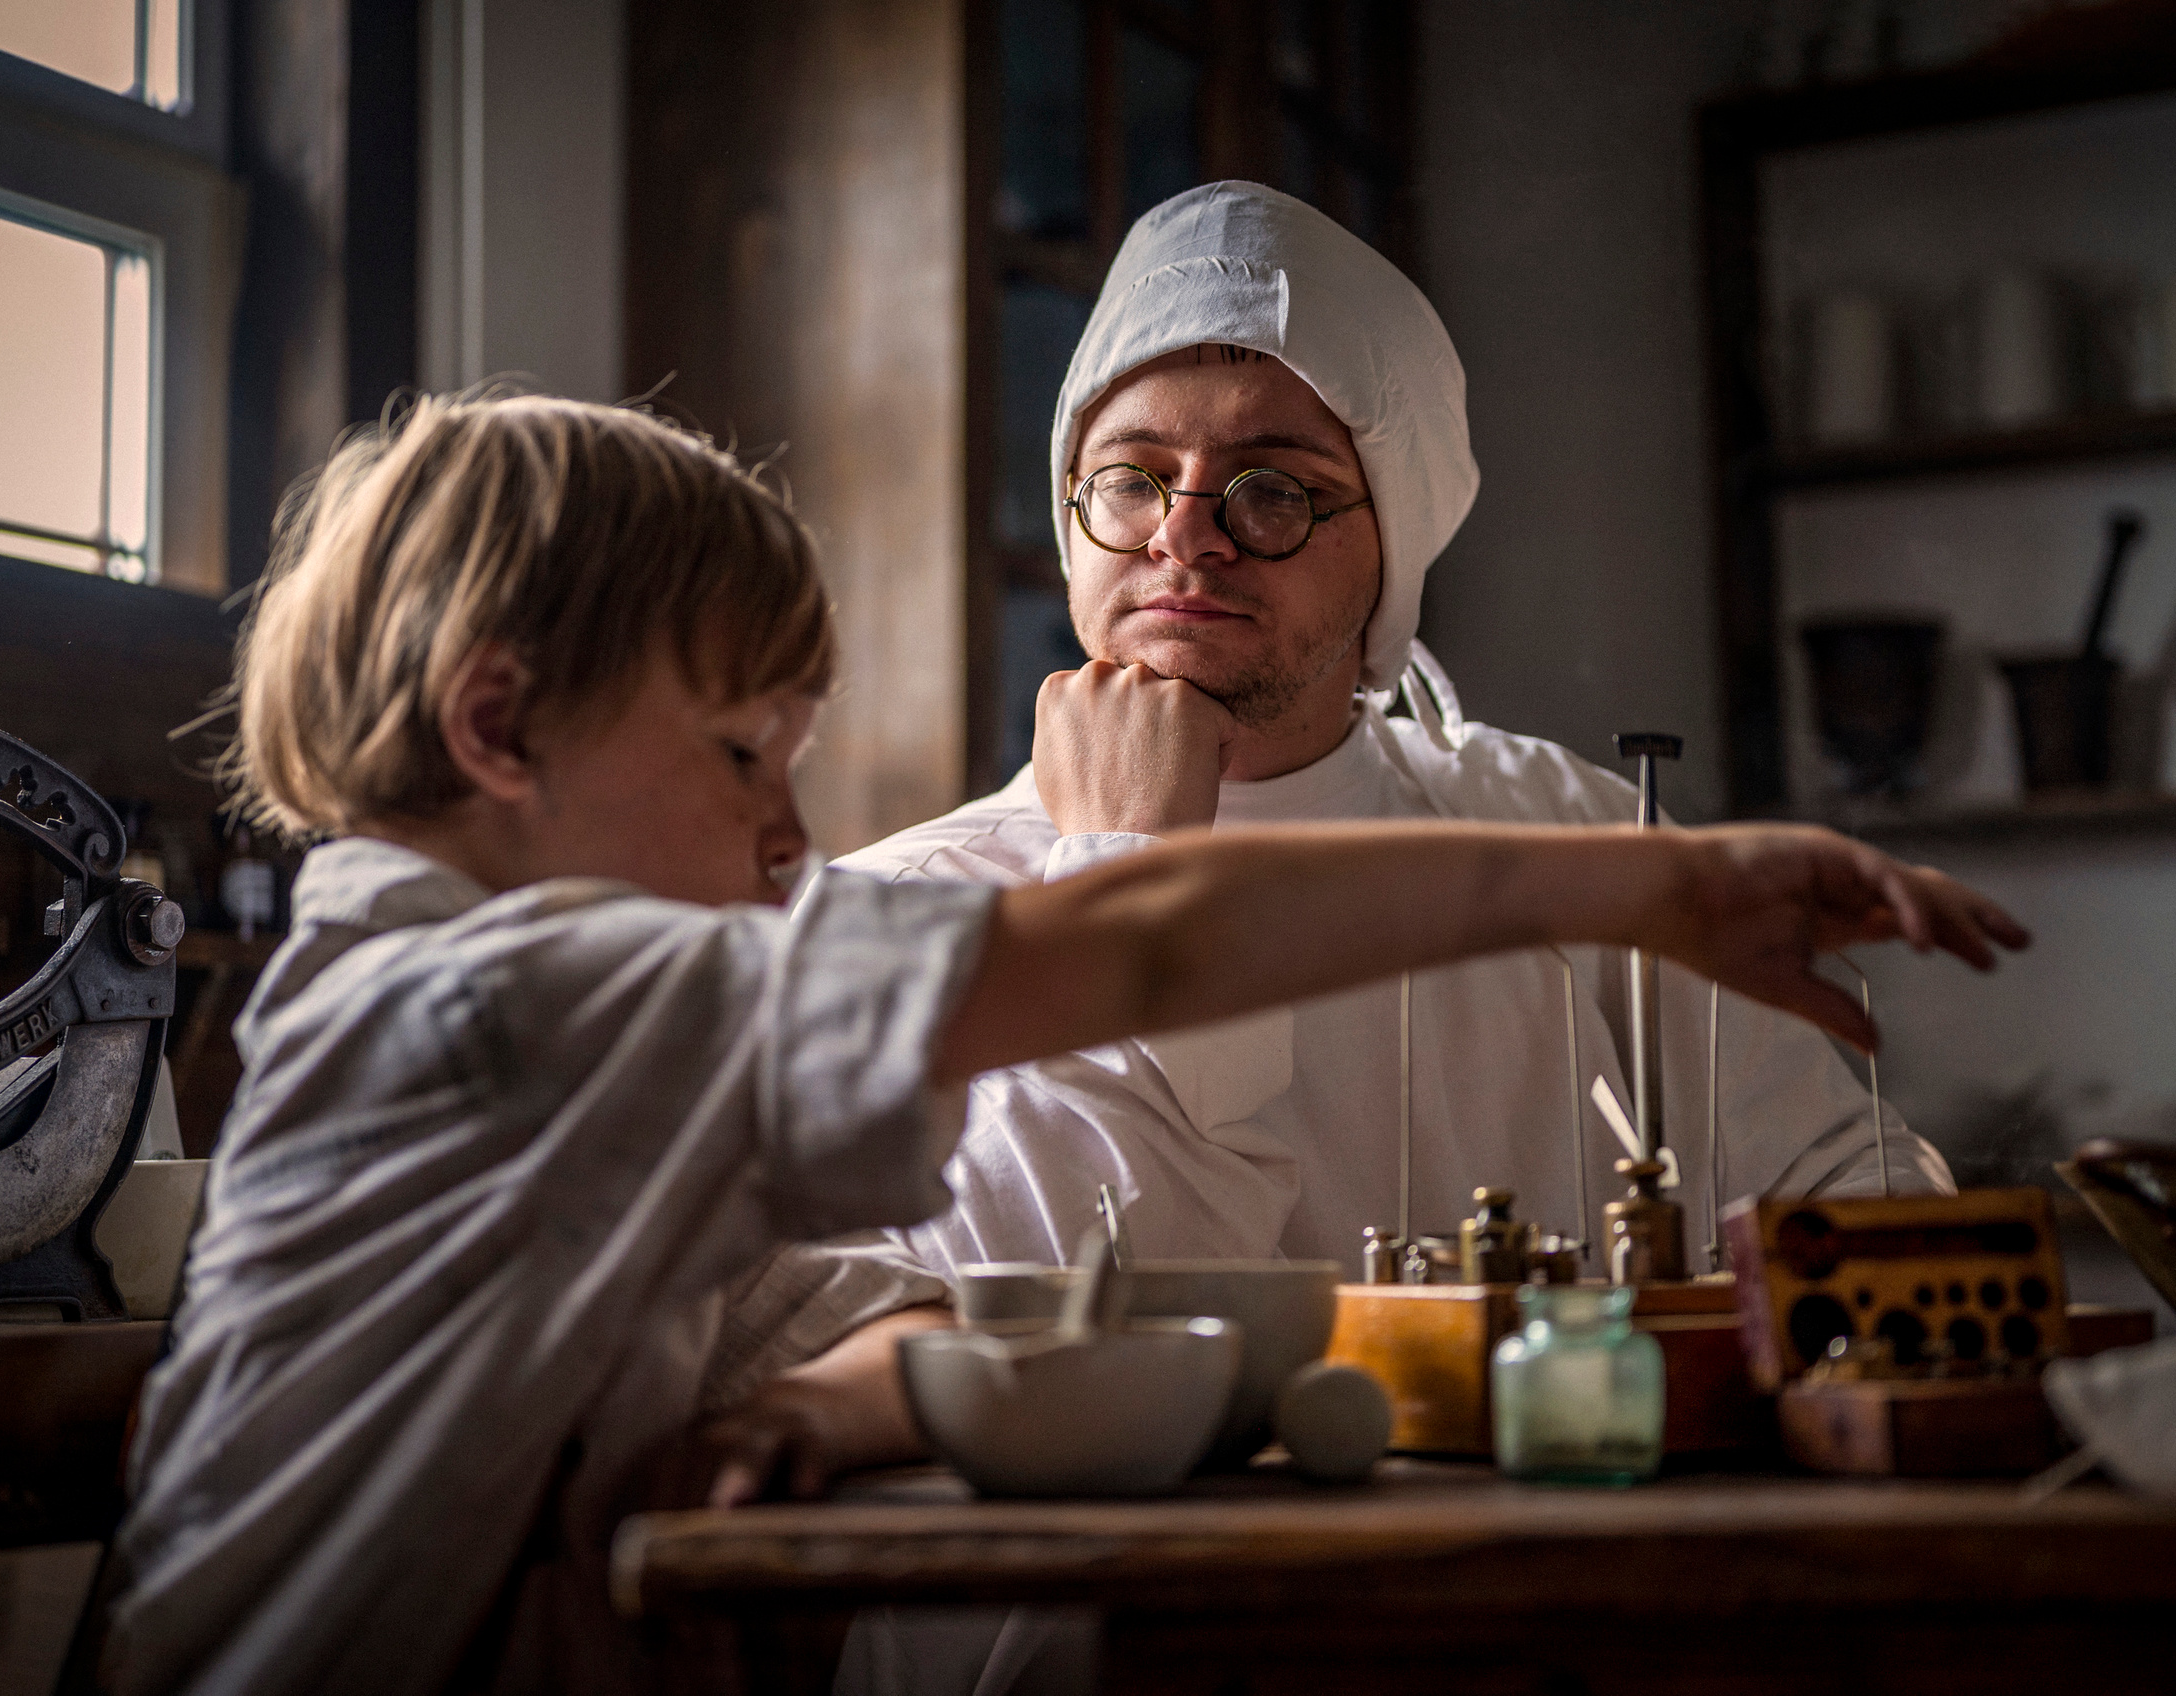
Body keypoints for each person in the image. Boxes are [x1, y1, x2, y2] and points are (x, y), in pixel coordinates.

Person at [96, 391, 2022, 1695]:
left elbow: (870, 1301)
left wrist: (832, 1399)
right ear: (501, 727)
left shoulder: (589, 1022)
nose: (789, 828)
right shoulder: (494, 1005)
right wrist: (1636, 888)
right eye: (744, 752)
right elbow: (1139, 926)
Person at [835, 180, 1950, 1291]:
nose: (1183, 537)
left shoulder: (1569, 838)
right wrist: (1124, 867)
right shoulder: (890, 917)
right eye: (1128, 479)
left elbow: (1856, 1193)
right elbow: (1063, 1358)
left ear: (1394, 550)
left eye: (1271, 489)